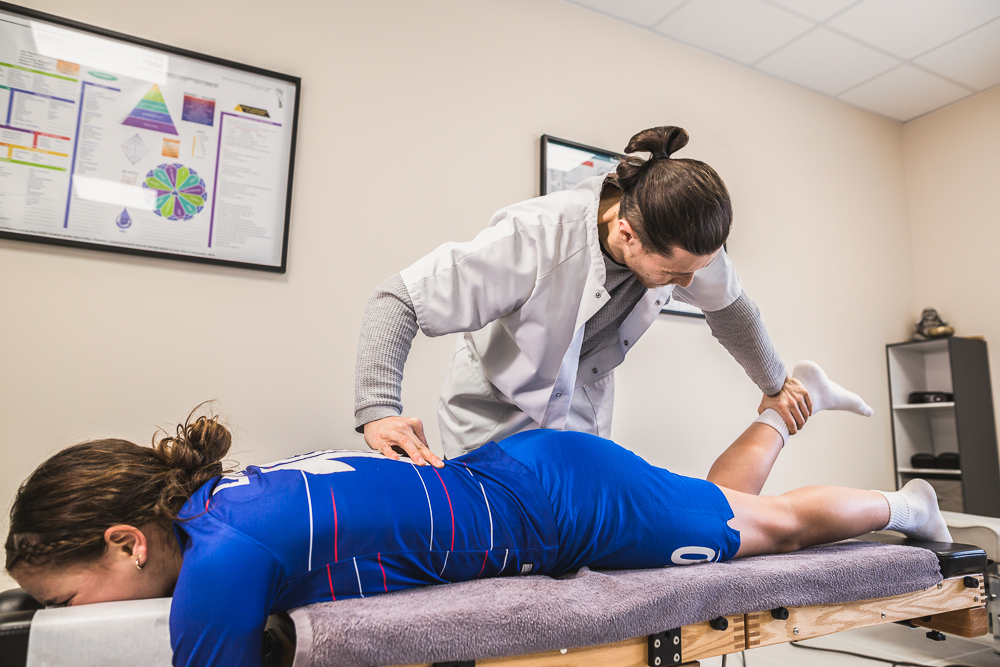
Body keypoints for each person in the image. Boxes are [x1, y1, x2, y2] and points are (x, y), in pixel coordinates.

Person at [6, 363, 948, 667]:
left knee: (771, 529)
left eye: (71, 596)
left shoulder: (219, 554)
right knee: (735, 511)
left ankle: (905, 503)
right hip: (532, 471)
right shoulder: (233, 496)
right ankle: (793, 398)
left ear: (127, 539)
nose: (71, 614)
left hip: (560, 507)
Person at [356, 126, 812, 468]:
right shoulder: (535, 237)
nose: (689, 286)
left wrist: (776, 385)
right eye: (675, 275)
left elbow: (732, 312)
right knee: (508, 551)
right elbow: (398, 299)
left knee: (578, 543)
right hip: (494, 412)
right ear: (626, 233)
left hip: (579, 406)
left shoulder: (685, 244)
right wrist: (378, 411)